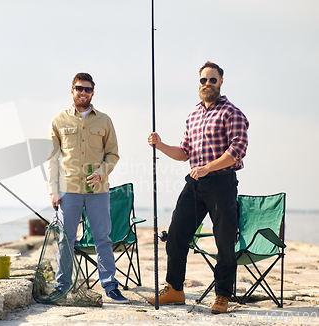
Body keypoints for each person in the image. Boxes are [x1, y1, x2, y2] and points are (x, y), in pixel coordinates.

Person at [147, 61, 249, 314]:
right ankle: (175, 289)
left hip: (221, 184)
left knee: (224, 242)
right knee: (176, 235)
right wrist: (160, 145)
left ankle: (223, 295)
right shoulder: (193, 115)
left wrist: (208, 168)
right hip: (194, 184)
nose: (207, 84)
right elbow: (184, 153)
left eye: (212, 80)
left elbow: (236, 152)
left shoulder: (232, 113)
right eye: (203, 80)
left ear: (221, 82)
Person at [46, 72, 129, 303]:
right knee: (66, 239)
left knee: (102, 238)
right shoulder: (58, 120)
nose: (83, 92)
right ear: (72, 90)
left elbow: (113, 154)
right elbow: (52, 158)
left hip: (98, 192)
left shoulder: (104, 120)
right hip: (68, 190)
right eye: (79, 88)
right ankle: (62, 286)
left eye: (88, 89)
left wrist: (102, 173)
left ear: (93, 92)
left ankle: (110, 286)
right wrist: (53, 190)